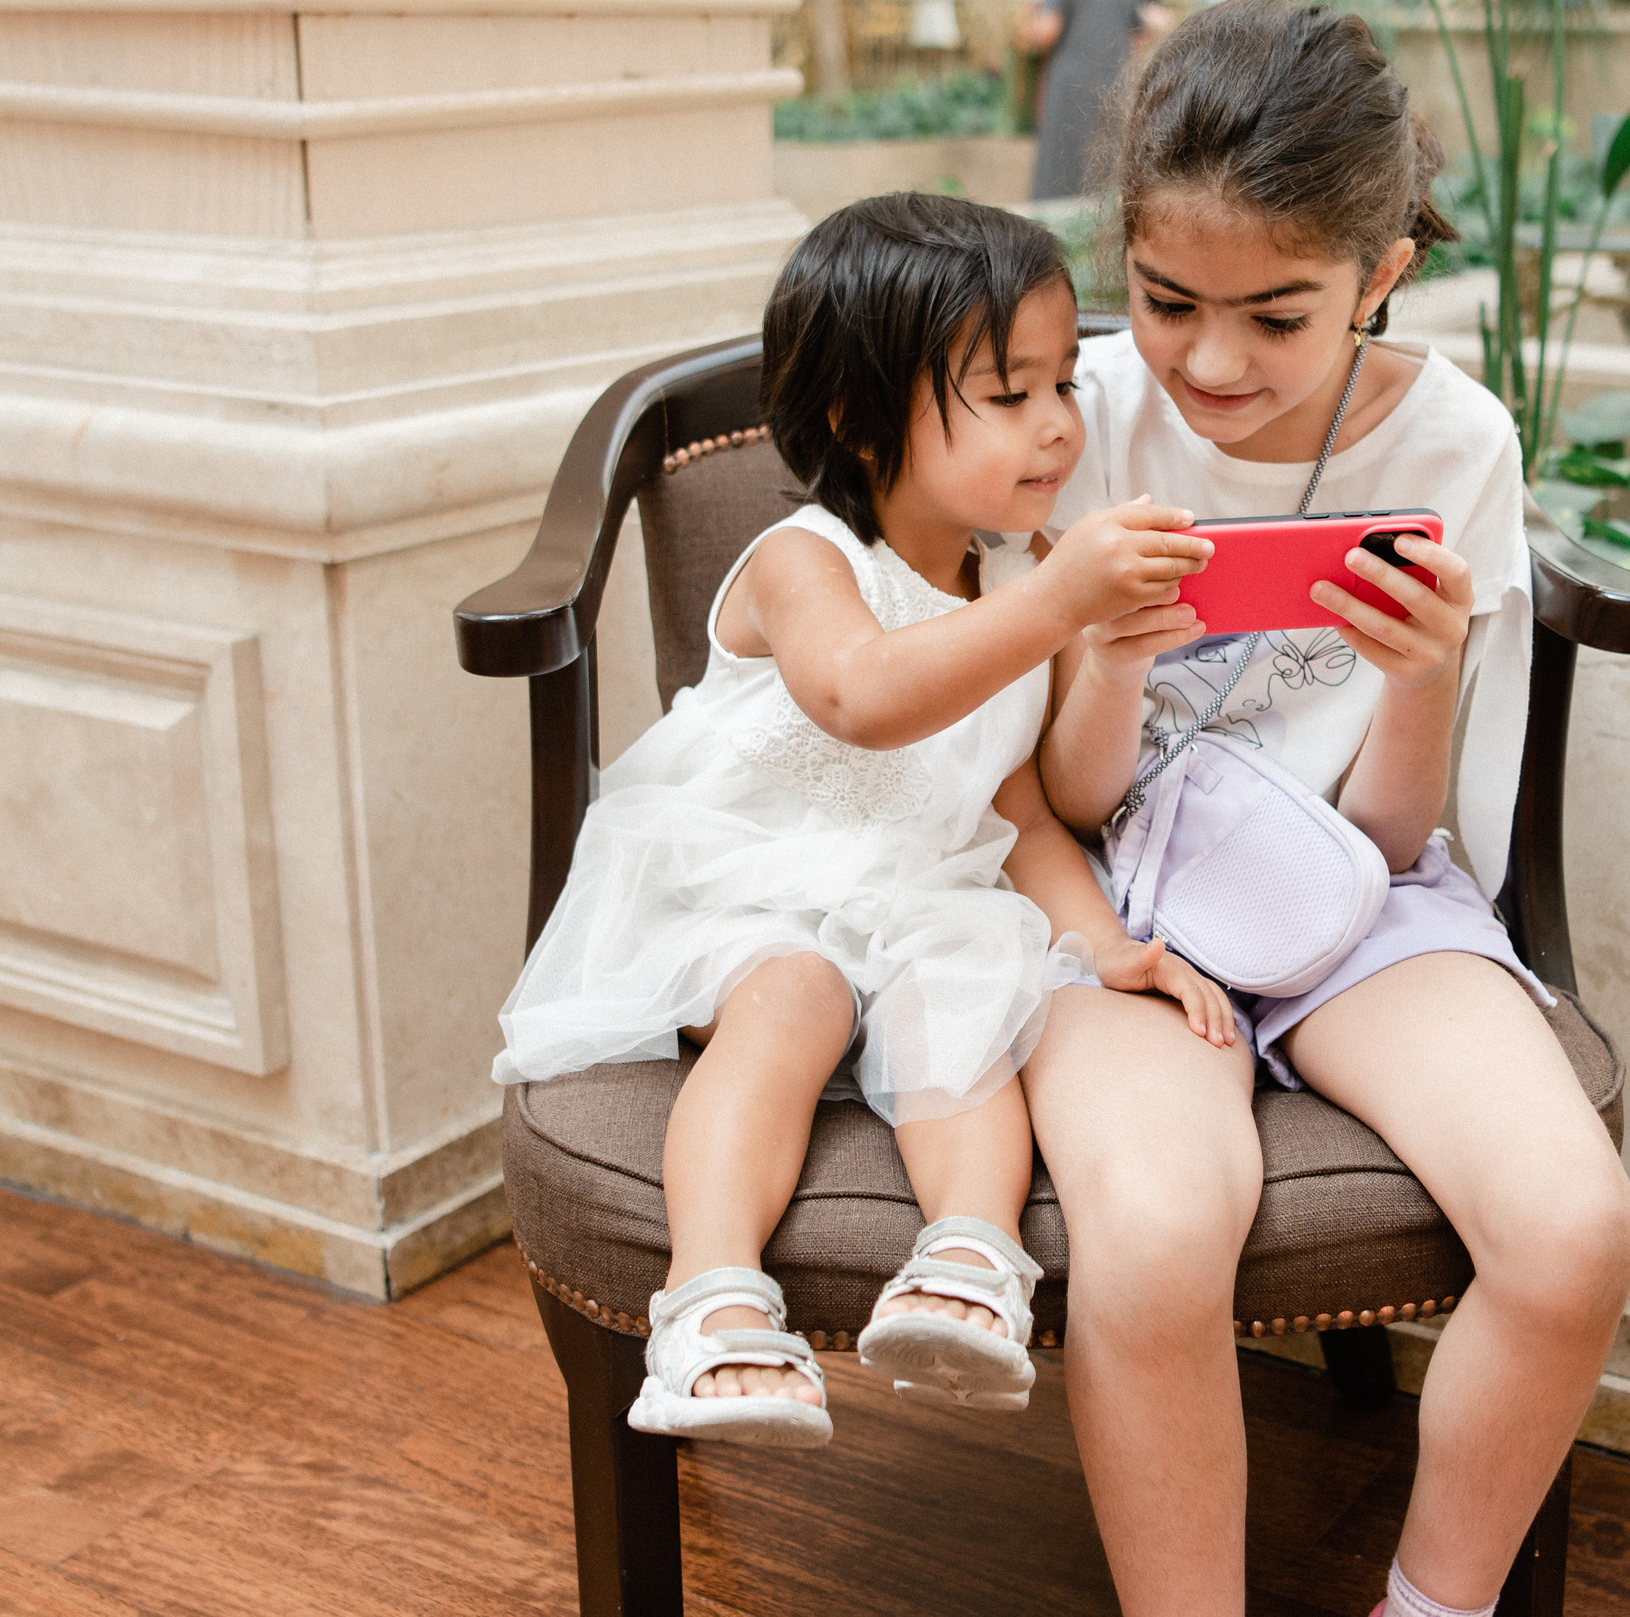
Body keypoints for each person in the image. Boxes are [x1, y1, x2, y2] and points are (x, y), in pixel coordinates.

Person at [1024, 0, 1630, 1617]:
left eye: (1277, 316)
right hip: (1111, 907)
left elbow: (1381, 842)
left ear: (1381, 272)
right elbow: (1062, 799)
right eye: (1166, 301)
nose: (1212, 361)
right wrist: (1099, 656)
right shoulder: (1071, 422)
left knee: (1572, 1230)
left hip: (1352, 893)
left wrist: (1424, 670)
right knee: (1158, 1233)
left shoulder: (1456, 441)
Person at [494, 193, 1233, 1447]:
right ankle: (710, 1297)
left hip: (921, 894)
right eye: (1009, 396)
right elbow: (863, 697)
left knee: (982, 997)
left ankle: (967, 1260)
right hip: (757, 887)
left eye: (1064, 386)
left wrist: (1101, 941)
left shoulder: (1016, 573)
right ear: (857, 417)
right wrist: (1057, 603)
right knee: (793, 998)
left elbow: (1012, 803)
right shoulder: (805, 558)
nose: (1058, 426)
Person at [1020, 0, 1163, 200]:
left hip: (1071, 84)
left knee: (1063, 155)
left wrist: (1023, 29)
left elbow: (1047, 32)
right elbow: (1135, 38)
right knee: (1106, 156)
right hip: (1115, 83)